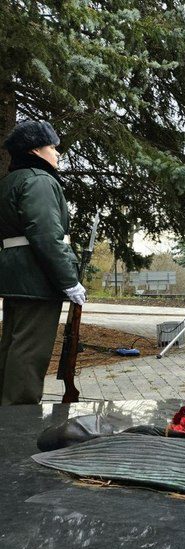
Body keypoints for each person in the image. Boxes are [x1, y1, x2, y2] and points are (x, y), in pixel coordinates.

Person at [0, 120, 86, 405]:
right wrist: (69, 281)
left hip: (19, 277)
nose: (57, 153)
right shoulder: (39, 180)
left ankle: (7, 415)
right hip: (36, 279)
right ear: (36, 149)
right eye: (52, 146)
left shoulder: (14, 179)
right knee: (29, 353)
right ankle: (18, 425)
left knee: (13, 347)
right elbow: (47, 236)